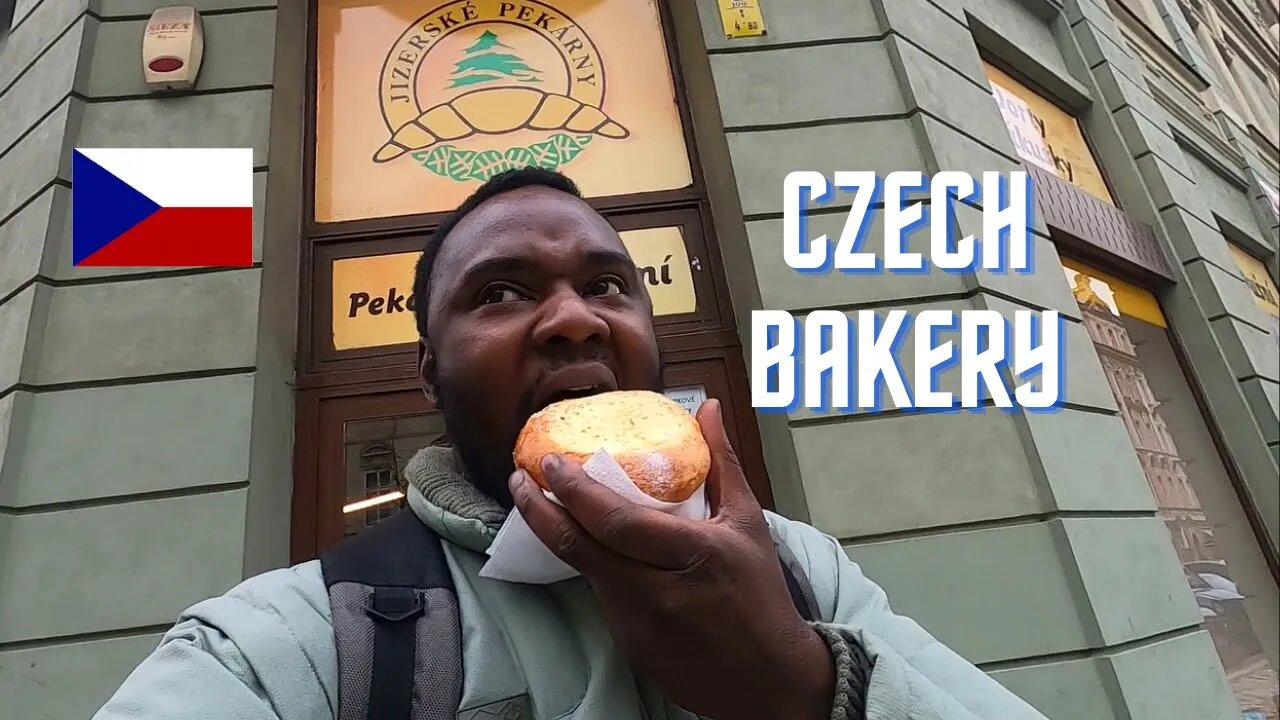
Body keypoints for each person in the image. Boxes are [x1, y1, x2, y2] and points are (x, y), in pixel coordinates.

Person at [93, 168, 1049, 720]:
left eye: (608, 285)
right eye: (500, 293)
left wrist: (804, 687)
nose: (574, 320)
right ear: (430, 375)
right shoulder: (284, 647)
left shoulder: (804, 572)